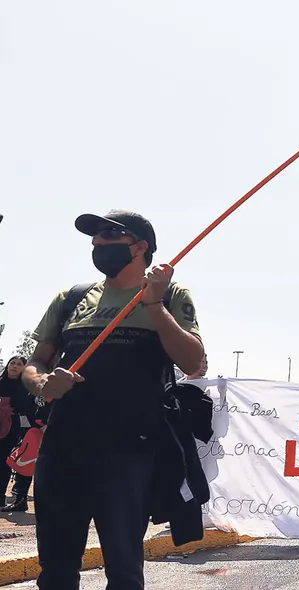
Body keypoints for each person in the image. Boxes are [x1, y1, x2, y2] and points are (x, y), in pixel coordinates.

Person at [20, 210, 205, 589]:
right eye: (94, 236)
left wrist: (154, 305)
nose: (96, 243)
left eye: (107, 234)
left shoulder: (171, 295)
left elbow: (193, 361)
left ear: (140, 247)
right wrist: (41, 384)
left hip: (129, 451)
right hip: (62, 448)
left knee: (123, 571)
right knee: (54, 571)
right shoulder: (71, 298)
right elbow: (34, 362)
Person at [0, 356, 33, 512]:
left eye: (19, 364)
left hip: (13, 428)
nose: (14, 366)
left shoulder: (25, 388)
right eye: (12, 363)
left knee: (5, 462)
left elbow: (25, 409)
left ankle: (2, 498)